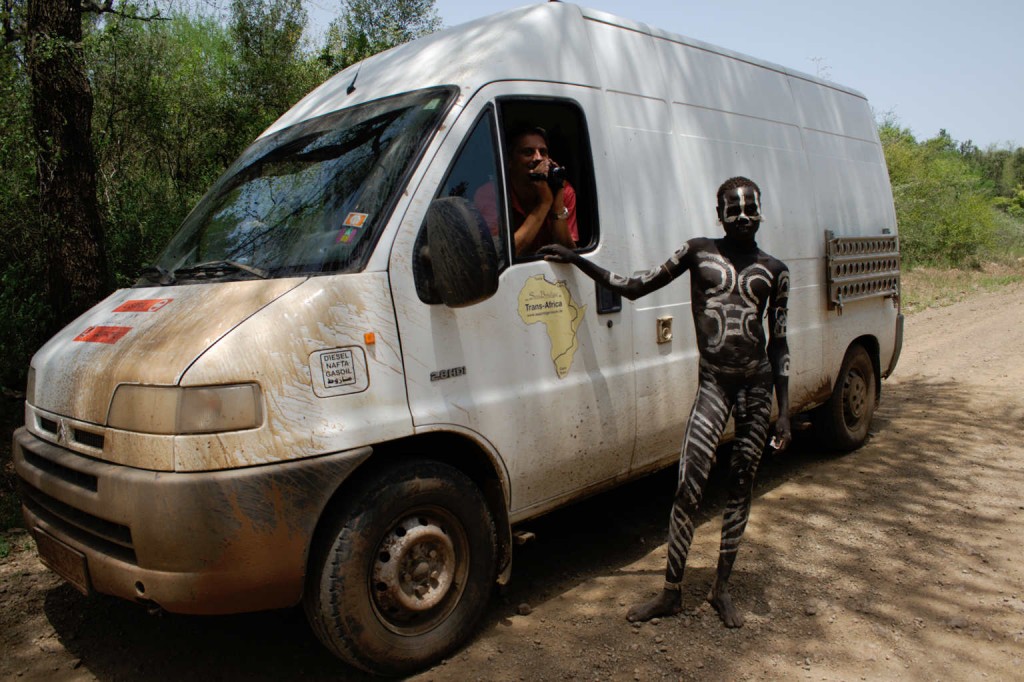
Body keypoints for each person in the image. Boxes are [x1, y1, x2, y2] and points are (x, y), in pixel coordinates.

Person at [539, 176, 791, 627]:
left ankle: (721, 589)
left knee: (741, 485)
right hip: (715, 384)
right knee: (688, 485)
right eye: (733, 210)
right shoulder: (698, 252)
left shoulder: (775, 270)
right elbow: (636, 286)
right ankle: (671, 592)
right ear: (719, 214)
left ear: (762, 211)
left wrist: (784, 411)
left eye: (750, 208)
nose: (743, 217)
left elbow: (779, 342)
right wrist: (578, 260)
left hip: (758, 387)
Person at [475, 125, 578, 257]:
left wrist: (557, 199)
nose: (538, 158)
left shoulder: (564, 190)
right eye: (528, 152)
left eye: (543, 152)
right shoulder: (491, 194)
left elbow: (570, 254)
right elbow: (500, 256)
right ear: (509, 161)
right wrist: (544, 204)